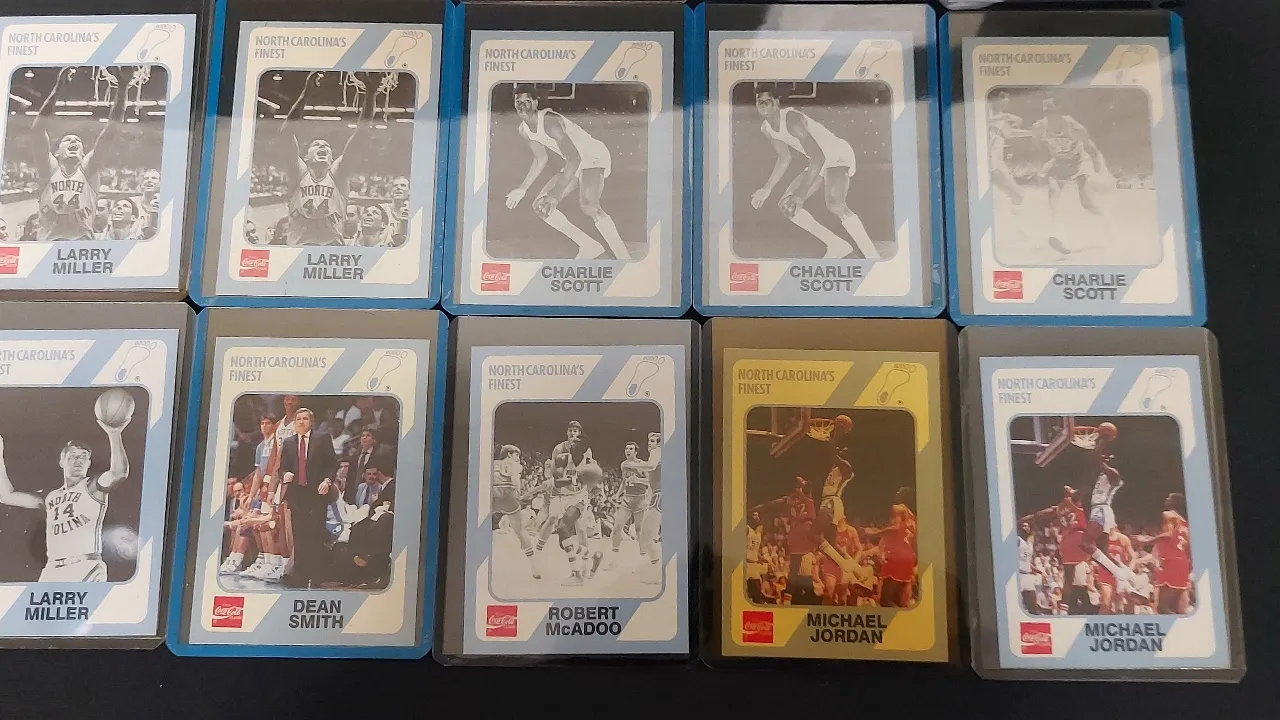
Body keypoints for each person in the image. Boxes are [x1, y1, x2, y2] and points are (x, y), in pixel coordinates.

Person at [0, 399, 134, 582]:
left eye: (83, 456)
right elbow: (7, 496)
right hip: (52, 569)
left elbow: (119, 473)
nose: (78, 460)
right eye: (73, 456)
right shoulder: (50, 496)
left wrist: (114, 433)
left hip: (86, 565)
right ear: (62, 461)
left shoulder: (93, 487)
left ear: (88, 463)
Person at [749, 85, 878, 260]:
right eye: (760, 102)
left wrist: (801, 194)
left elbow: (818, 157)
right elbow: (784, 158)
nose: (763, 105)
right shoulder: (766, 129)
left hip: (836, 152)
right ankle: (837, 245)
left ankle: (873, 256)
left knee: (834, 204)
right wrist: (767, 189)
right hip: (818, 159)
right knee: (787, 206)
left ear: (777, 102)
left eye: (768, 101)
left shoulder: (792, 120)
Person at [504, 85, 629, 261]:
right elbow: (540, 158)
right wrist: (522, 189)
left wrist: (556, 194)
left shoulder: (550, 122)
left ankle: (624, 257)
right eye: (518, 102)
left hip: (592, 155)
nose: (522, 106)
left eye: (527, 101)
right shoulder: (523, 130)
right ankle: (589, 245)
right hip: (574, 160)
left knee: (589, 205)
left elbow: (574, 158)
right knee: (541, 206)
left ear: (536, 102)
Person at [29, 66, 139, 241]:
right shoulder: (49, 169)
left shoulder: (88, 170)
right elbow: (37, 130)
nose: (73, 142)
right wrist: (57, 90)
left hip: (82, 244)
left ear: (83, 154)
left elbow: (110, 131)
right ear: (57, 152)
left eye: (78, 141)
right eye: (68, 140)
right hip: (49, 244)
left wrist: (123, 88)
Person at [277, 71, 374, 246]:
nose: (322, 147)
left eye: (326, 146)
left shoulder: (338, 175)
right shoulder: (298, 173)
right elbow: (285, 134)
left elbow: (361, 134)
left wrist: (371, 94)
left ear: (332, 159)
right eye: (316, 145)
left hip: (331, 250)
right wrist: (306, 93)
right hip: (298, 249)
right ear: (305, 157)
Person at [278, 407, 338, 588]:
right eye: (298, 419)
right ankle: (300, 576)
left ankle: (317, 576)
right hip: (297, 494)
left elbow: (332, 464)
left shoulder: (322, 438)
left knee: (316, 533)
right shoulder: (288, 442)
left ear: (311, 422)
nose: (301, 422)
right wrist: (285, 474)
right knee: (299, 536)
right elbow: (282, 467)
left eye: (305, 419)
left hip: (317, 492)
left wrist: (327, 481)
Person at [344, 427, 392, 505]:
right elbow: (350, 477)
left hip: (371, 492)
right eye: (362, 435)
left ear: (374, 440)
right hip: (353, 493)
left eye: (368, 435)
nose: (364, 437)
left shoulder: (379, 455)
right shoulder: (355, 455)